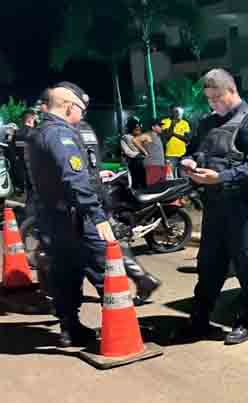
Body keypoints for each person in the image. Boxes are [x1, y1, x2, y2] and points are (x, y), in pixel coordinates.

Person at [179, 68, 248, 345]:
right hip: (215, 207)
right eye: (209, 99)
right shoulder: (208, 123)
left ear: (231, 91)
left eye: (217, 97)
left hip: (242, 207)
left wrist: (221, 176)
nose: (212, 103)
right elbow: (195, 151)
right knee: (208, 264)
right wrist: (190, 162)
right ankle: (199, 318)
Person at [27, 82, 116, 347]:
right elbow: (71, 177)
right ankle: (119, 328)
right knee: (106, 268)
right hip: (75, 217)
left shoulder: (39, 132)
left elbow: (56, 174)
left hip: (52, 217)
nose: (82, 116)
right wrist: (97, 215)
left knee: (65, 273)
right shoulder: (60, 135)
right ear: (68, 108)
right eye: (81, 109)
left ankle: (69, 329)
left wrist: (94, 175)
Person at [10, 110, 38, 202]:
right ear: (31, 119)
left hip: (20, 170)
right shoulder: (36, 133)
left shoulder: (17, 134)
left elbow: (12, 152)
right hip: (35, 170)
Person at [133, 118, 168, 186]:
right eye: (159, 126)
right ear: (153, 127)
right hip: (152, 165)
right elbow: (135, 140)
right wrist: (144, 151)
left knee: (161, 187)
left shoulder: (157, 136)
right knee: (153, 187)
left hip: (160, 164)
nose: (161, 127)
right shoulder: (149, 135)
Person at [160, 105, 191, 179]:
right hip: (170, 154)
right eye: (177, 112)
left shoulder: (185, 123)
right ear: (171, 112)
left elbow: (187, 138)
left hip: (183, 154)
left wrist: (174, 134)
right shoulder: (164, 122)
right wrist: (172, 125)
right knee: (170, 177)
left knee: (185, 176)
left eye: (181, 112)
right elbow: (166, 137)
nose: (179, 114)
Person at [120, 117, 146, 188]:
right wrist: (139, 155)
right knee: (135, 182)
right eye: (136, 127)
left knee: (144, 182)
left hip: (143, 162)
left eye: (139, 126)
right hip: (133, 162)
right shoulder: (125, 137)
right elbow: (127, 152)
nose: (139, 128)